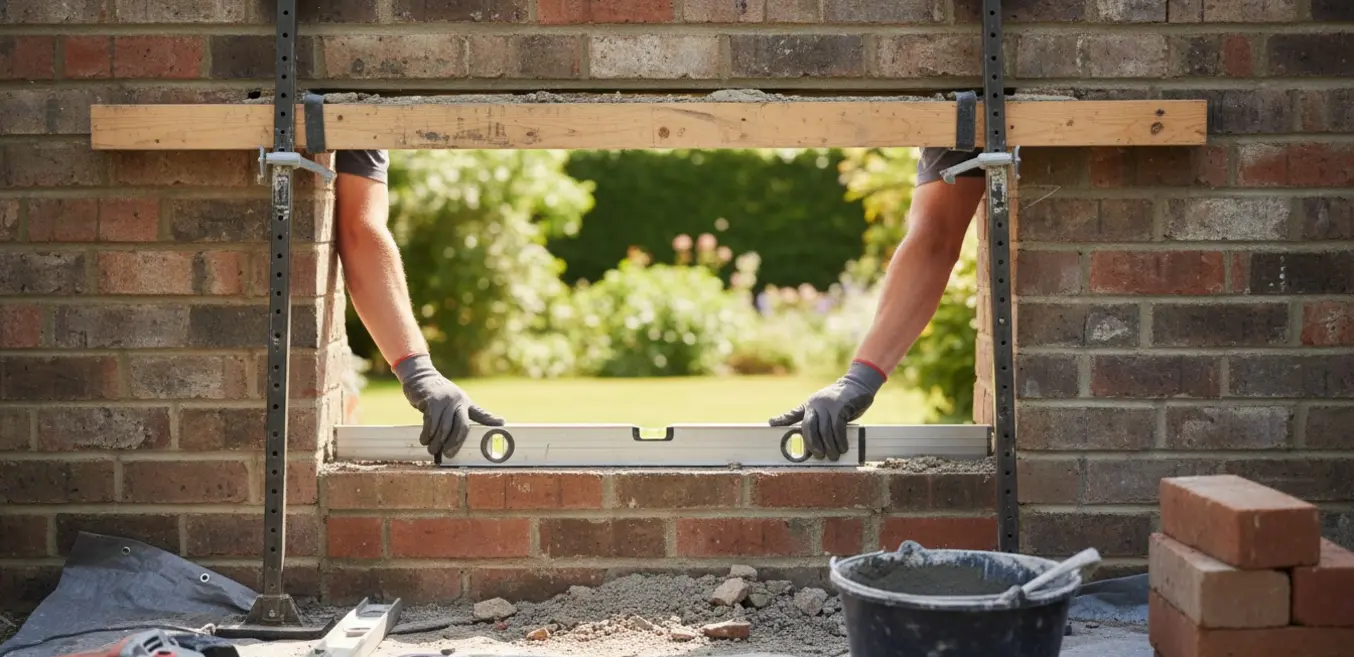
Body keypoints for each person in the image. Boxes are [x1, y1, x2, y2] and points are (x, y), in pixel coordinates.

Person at [334, 146, 985, 461]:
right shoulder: (343, 82)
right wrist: (415, 372)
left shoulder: (961, 84)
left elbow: (937, 235)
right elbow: (356, 225)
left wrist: (857, 381)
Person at [768, 147, 986, 461]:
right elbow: (935, 241)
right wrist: (859, 380)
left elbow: (935, 242)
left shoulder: (964, 104)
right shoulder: (959, 112)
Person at [333, 150, 505, 459]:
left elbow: (358, 230)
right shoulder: (355, 106)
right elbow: (358, 230)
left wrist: (419, 373)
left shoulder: (346, 110)